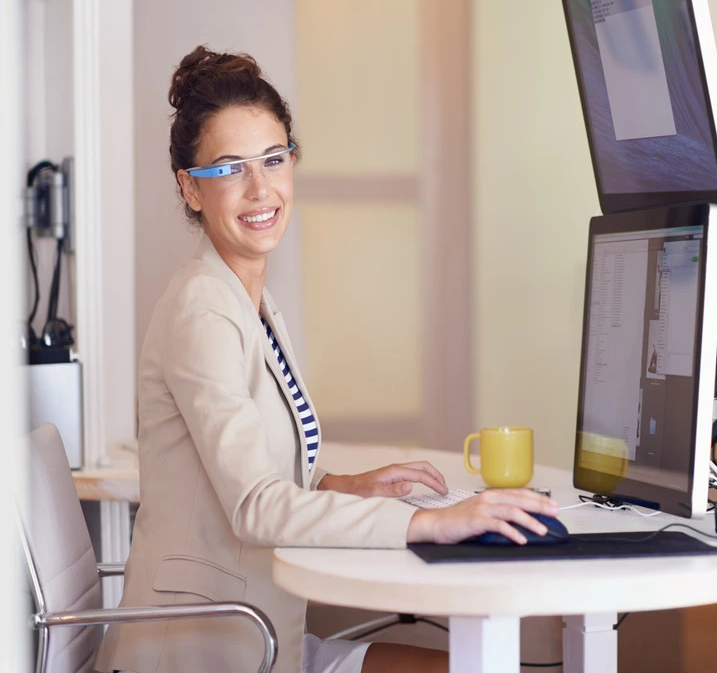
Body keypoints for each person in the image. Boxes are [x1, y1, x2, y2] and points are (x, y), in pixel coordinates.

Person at [95, 46, 560, 673]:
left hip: (259, 636)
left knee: (464, 663)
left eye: (273, 159)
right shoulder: (202, 312)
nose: (260, 188)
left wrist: (345, 486)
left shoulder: (247, 299)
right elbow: (256, 505)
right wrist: (432, 525)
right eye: (231, 169)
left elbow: (257, 474)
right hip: (207, 651)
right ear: (190, 187)